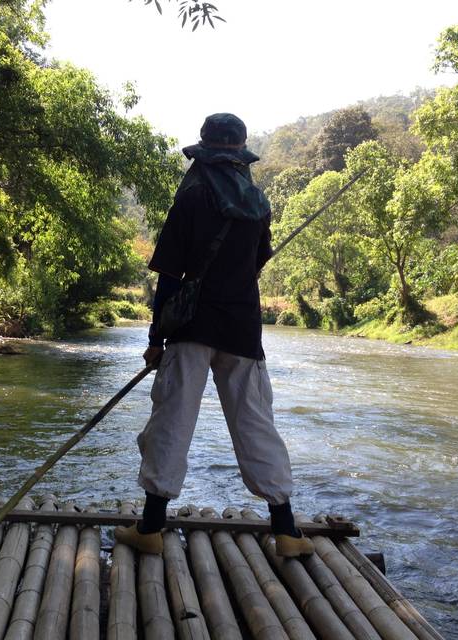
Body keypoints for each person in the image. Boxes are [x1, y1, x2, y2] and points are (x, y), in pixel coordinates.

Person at [114, 113, 314, 558]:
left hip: (191, 328)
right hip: (242, 329)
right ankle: (286, 531)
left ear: (203, 153)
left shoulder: (191, 198)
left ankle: (150, 529)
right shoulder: (259, 204)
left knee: (172, 421)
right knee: (256, 424)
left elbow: (169, 276)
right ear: (241, 154)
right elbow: (255, 263)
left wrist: (155, 338)